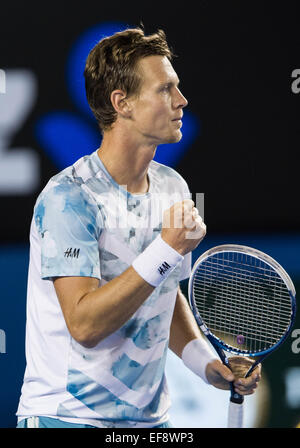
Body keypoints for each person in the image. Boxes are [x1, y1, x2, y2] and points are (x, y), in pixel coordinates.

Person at [16, 27, 261, 429]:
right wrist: (166, 249)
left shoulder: (173, 186)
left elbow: (167, 294)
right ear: (122, 103)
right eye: (165, 90)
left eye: (177, 88)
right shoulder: (68, 197)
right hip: (67, 417)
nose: (182, 101)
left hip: (151, 423)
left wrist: (206, 364)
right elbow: (85, 325)